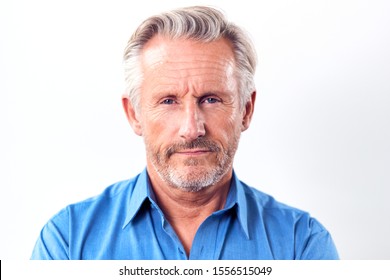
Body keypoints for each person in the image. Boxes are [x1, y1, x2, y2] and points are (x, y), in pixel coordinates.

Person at [31, 6, 339, 260]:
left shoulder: (303, 245)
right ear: (134, 114)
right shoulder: (68, 243)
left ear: (246, 109)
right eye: (168, 101)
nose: (192, 129)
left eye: (211, 99)